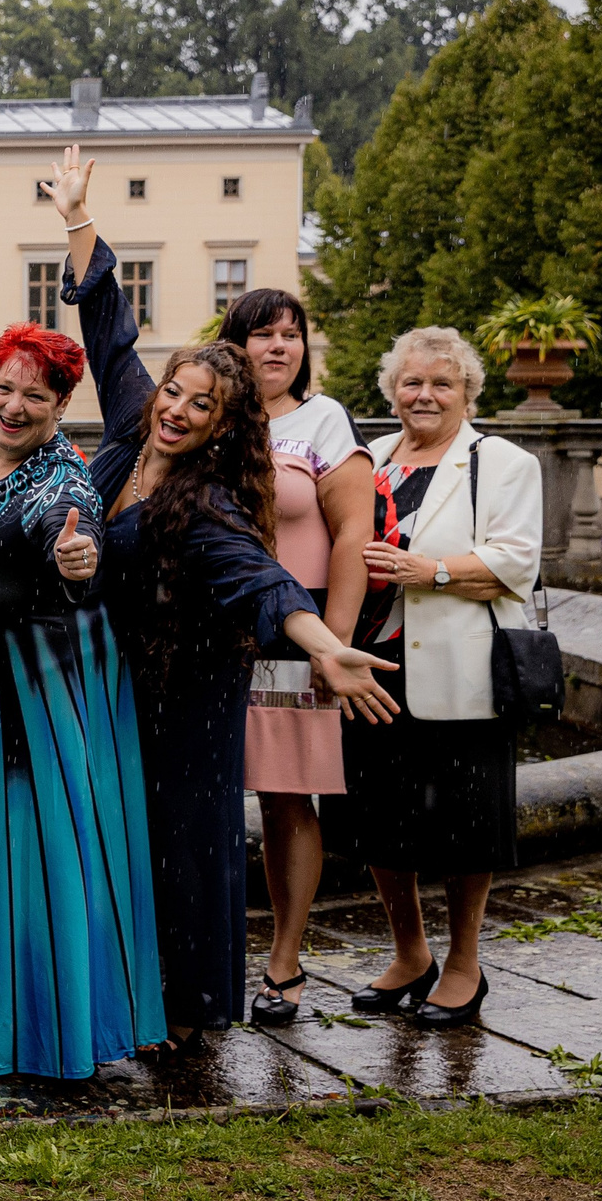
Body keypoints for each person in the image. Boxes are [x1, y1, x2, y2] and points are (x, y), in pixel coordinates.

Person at [54, 146, 395, 1045]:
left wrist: (323, 644)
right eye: (176, 390)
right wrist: (80, 219)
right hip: (132, 680)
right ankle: (140, 993)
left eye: (200, 405)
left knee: (189, 842)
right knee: (135, 840)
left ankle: (195, 1009)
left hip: (192, 689)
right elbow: (111, 337)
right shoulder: (129, 433)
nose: (177, 408)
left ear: (220, 425)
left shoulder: (204, 500)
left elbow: (261, 578)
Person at [0, 321, 165, 1079]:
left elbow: (79, 550)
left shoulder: (64, 482)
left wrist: (77, 559)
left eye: (37, 395)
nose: (15, 406)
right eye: (4, 387)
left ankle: (32, 1026)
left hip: (30, 692)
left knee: (26, 852)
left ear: (63, 404)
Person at [326, 327, 542, 1028]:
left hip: (460, 676)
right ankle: (410, 953)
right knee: (380, 821)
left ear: (467, 392)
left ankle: (464, 965)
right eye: (412, 382)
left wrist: (436, 572)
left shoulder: (500, 461)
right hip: (373, 666)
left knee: (465, 826)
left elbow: (515, 562)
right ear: (392, 389)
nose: (424, 395)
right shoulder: (371, 458)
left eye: (441, 383)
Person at [220, 288, 375, 1027]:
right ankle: (205, 951)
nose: (279, 347)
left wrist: (334, 642)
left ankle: (284, 959)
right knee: (206, 793)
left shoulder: (321, 420)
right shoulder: (214, 416)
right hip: (216, 626)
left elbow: (352, 535)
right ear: (235, 345)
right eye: (262, 335)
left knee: (286, 796)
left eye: (292, 335)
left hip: (294, 626)